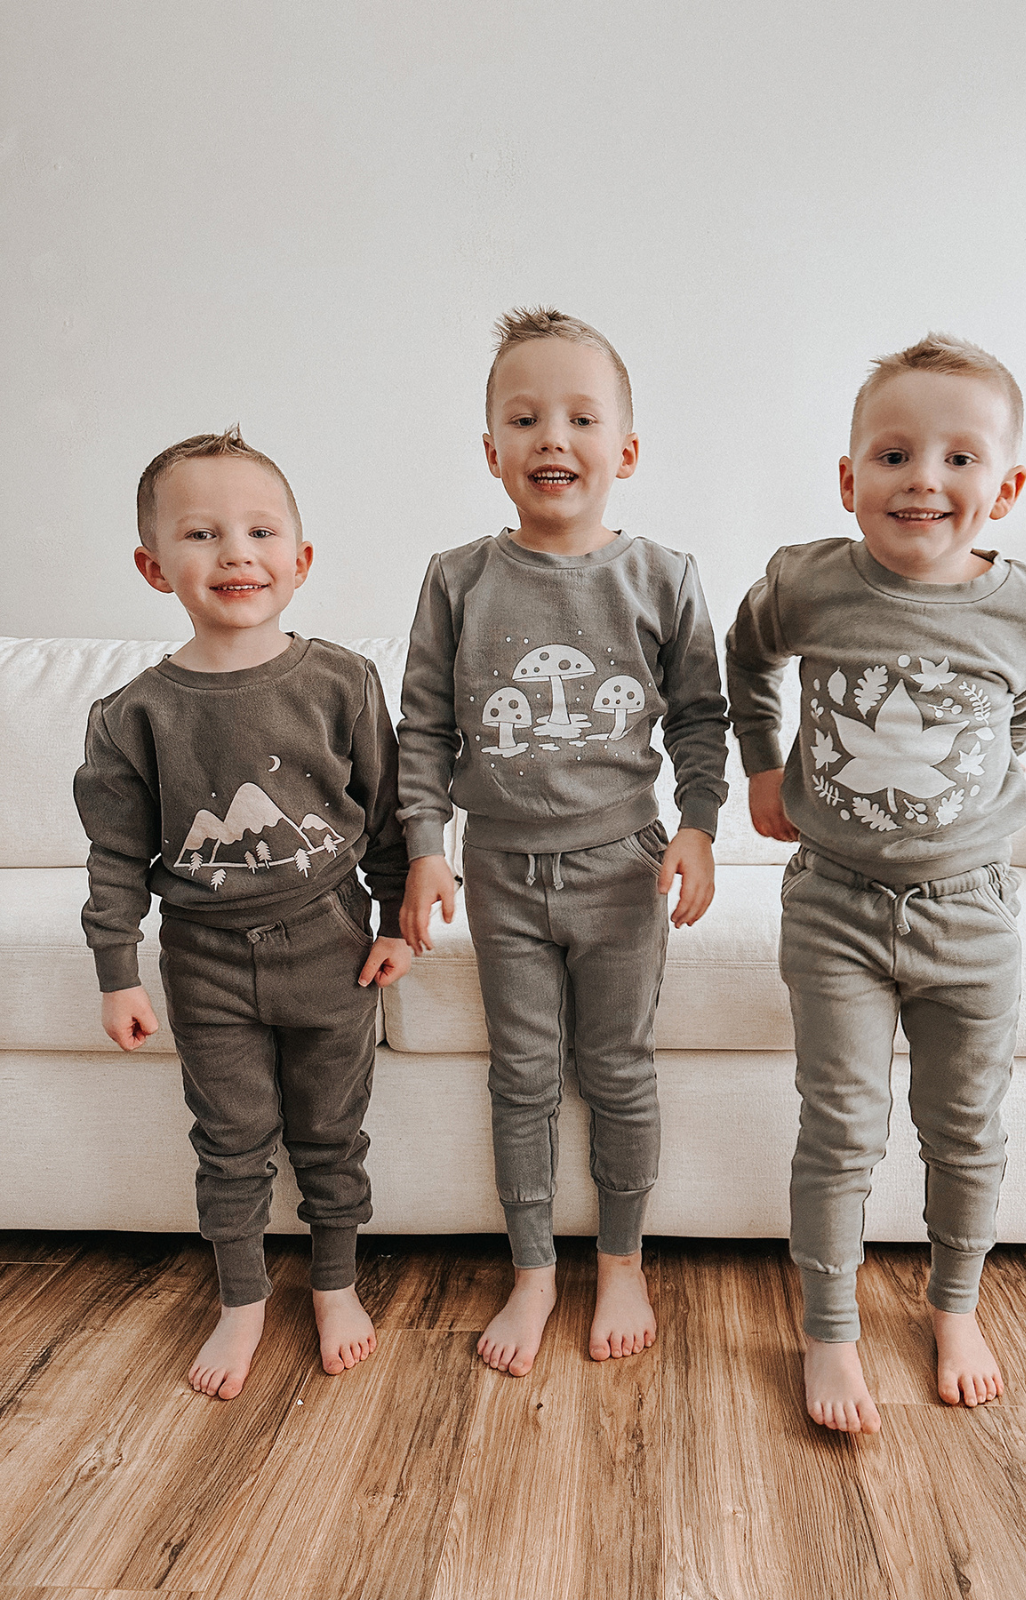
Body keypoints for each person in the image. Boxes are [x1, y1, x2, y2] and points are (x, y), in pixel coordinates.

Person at [727, 334, 1026, 1434]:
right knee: (841, 1127)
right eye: (894, 454)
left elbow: (1021, 718)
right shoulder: (809, 582)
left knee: (966, 1126)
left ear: (1005, 488)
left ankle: (954, 1304)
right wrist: (765, 763)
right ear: (849, 479)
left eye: (961, 459)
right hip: (835, 904)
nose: (925, 478)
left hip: (972, 913)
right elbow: (744, 656)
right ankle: (829, 1330)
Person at [398, 307, 728, 1376]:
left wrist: (699, 827)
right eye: (524, 416)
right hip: (499, 869)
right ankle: (534, 1265)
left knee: (619, 1069)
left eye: (581, 417)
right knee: (525, 1075)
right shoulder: (457, 578)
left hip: (622, 865)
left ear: (624, 450)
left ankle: (622, 1257)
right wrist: (424, 842)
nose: (552, 437)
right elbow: (426, 729)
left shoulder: (664, 576)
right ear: (489, 450)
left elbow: (698, 719)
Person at [74, 427, 411, 1400]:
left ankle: (337, 1281)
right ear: (153, 565)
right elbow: (113, 856)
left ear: (300, 561)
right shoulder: (133, 714)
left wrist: (392, 921)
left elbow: (386, 813)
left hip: (334, 948)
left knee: (330, 1131)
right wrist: (117, 973)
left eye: (261, 529)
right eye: (202, 532)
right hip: (204, 962)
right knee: (229, 1135)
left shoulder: (341, 682)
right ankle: (242, 1297)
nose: (235, 552)